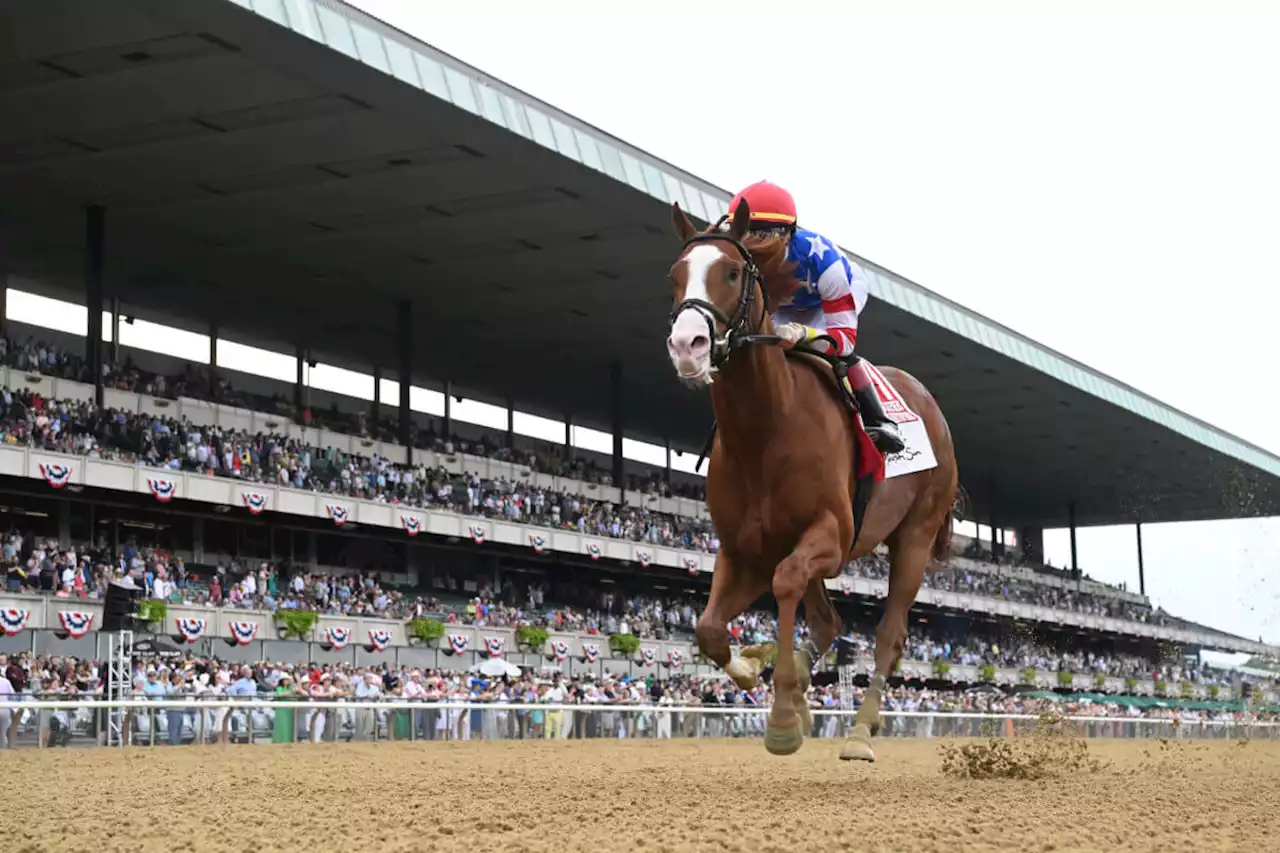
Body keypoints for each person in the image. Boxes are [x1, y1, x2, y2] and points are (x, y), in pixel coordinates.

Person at [726, 180, 904, 455]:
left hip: (828, 299)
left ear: (788, 234)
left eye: (764, 233)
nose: (753, 243)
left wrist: (803, 334)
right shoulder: (734, 252)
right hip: (786, 303)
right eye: (746, 232)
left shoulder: (824, 261)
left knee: (827, 349)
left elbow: (843, 340)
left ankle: (879, 421)